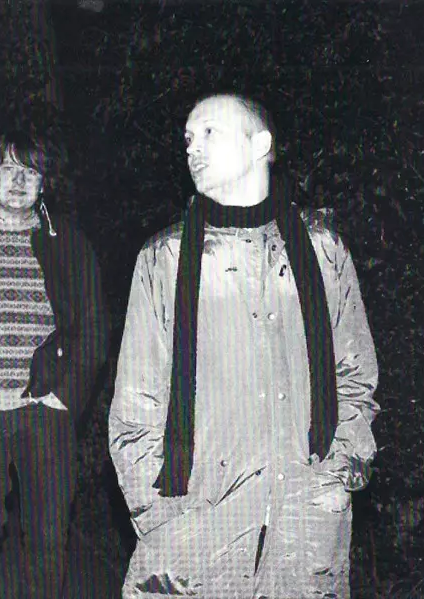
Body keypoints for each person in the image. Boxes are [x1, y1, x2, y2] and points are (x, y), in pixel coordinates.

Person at [108, 93, 380, 598]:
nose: (192, 148)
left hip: (304, 527)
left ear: (261, 144)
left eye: (209, 132)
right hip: (197, 530)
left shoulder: (322, 250)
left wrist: (336, 478)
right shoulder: (166, 259)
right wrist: (164, 517)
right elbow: (135, 407)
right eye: (188, 139)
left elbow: (354, 375)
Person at [0, 130, 110, 598]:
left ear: (44, 182)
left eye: (30, 171)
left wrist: (65, 397)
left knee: (48, 540)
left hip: (45, 415)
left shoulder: (69, 243)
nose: (19, 181)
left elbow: (95, 327)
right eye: (8, 168)